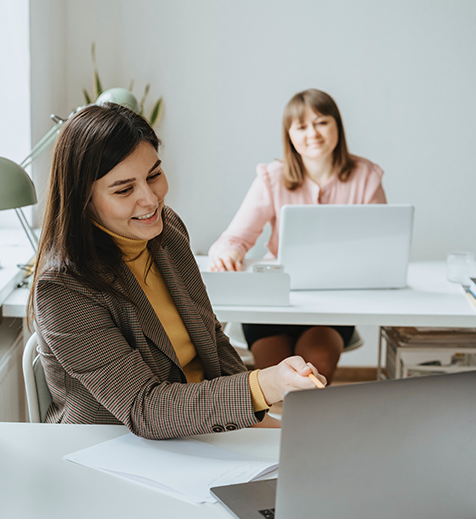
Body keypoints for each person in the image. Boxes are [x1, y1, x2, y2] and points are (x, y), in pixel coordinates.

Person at [28, 102, 326, 440]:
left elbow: (211, 338)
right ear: (83, 198)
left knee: (313, 450)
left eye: (154, 174)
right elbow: (143, 408)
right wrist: (265, 384)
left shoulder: (166, 231)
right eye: (124, 189)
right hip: (114, 443)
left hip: (196, 428)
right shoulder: (64, 287)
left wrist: (257, 411)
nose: (150, 199)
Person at [208, 89, 386, 383]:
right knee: (279, 379)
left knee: (313, 373)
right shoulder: (272, 177)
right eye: (301, 126)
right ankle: (283, 428)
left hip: (333, 304)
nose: (312, 133)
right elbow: (233, 239)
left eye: (321, 123)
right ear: (289, 135)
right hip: (275, 301)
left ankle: (305, 427)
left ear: (337, 126)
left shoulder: (365, 176)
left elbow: (380, 245)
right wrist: (229, 252)